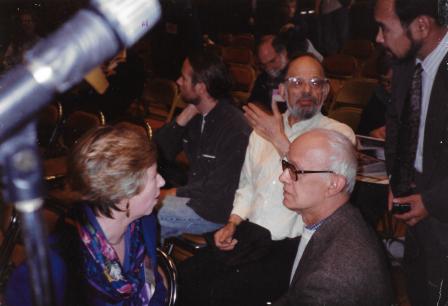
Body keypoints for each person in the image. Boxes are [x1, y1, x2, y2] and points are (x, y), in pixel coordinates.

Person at [176, 54, 355, 306]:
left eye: (315, 83)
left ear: (326, 91)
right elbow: (247, 186)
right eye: (296, 82)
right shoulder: (263, 129)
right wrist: (232, 222)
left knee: (215, 296)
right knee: (182, 281)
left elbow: (315, 183)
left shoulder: (339, 135)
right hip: (247, 237)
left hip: (289, 249)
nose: (307, 90)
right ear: (282, 90)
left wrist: (279, 140)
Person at [5, 125, 167, 306]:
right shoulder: (55, 266)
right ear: (122, 194)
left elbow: (155, 289)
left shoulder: (144, 225)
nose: (162, 181)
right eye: (153, 176)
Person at [374, 0, 448, 304]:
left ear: (421, 25)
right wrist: (397, 179)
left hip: (441, 208)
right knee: (419, 290)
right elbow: (398, 128)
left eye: (384, 28)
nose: (378, 38)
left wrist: (431, 201)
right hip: (415, 206)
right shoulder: (406, 64)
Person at [274, 129, 393, 305]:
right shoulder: (343, 219)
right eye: (286, 165)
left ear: (334, 185)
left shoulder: (330, 279)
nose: (282, 177)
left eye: (294, 170)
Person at [154, 50, 251, 240]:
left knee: (139, 212)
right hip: (193, 200)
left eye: (184, 78)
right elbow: (159, 151)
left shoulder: (234, 129)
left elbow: (216, 190)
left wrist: (170, 194)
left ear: (201, 88)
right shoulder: (197, 115)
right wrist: (183, 117)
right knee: (134, 207)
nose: (178, 81)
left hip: (213, 212)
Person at [247, 35, 288, 112]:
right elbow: (252, 104)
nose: (268, 68)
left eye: (272, 61)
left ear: (284, 53)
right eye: (264, 65)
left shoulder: (299, 75)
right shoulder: (262, 78)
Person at [357, 52, 393, 139]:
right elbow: (361, 134)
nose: (393, 88)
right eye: (386, 82)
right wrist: (371, 135)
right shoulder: (378, 97)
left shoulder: (421, 98)